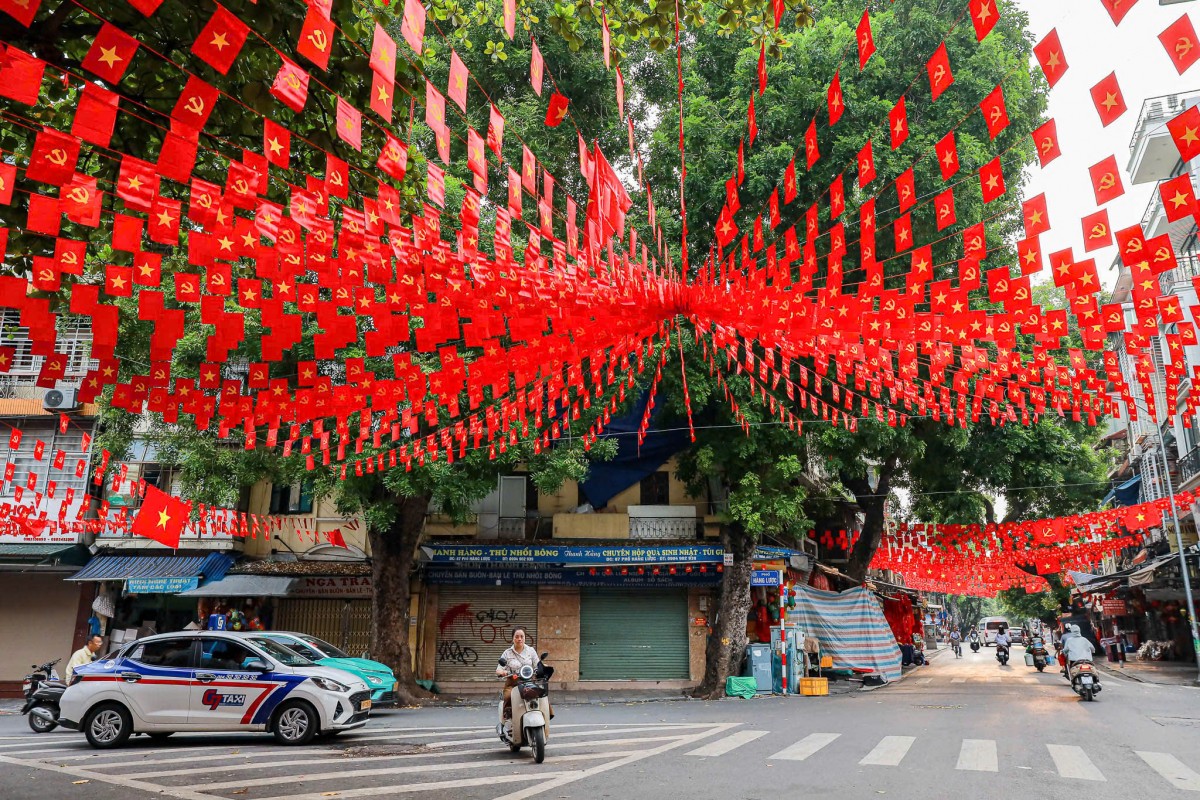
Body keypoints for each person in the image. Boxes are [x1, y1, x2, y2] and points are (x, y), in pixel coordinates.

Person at [496, 627, 540, 722]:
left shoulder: (531, 650)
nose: (519, 639)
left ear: (525, 638)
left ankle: (545, 715)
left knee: (541, 695)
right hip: (513, 683)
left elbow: (538, 664)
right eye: (517, 637)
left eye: (521, 636)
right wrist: (503, 672)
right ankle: (507, 718)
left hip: (529, 682)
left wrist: (543, 668)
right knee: (508, 696)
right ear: (513, 638)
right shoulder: (507, 653)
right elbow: (499, 669)